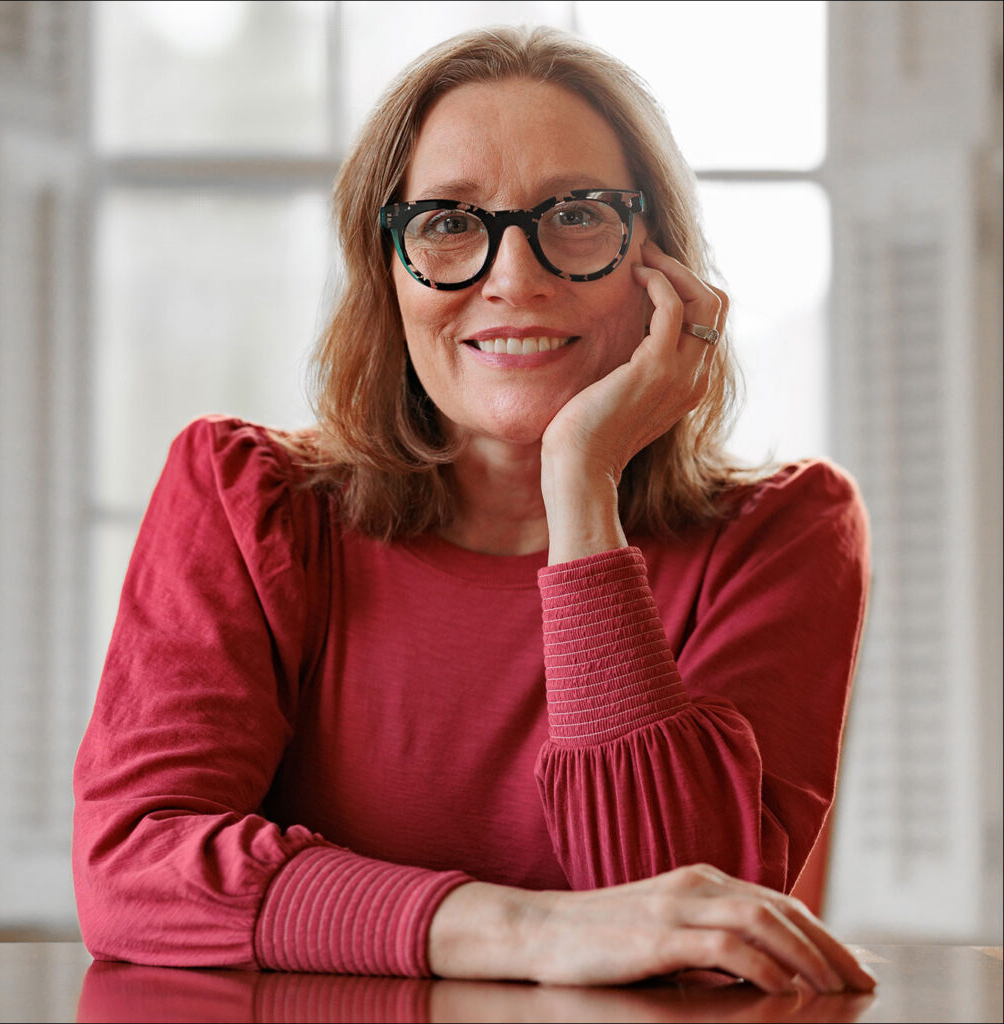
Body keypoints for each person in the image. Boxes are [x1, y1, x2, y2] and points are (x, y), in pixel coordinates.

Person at [73, 25, 876, 993]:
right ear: (389, 273)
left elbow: (681, 923)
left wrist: (579, 481)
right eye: (448, 221)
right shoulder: (244, 503)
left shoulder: (783, 535)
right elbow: (136, 865)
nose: (512, 277)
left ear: (660, 267)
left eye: (576, 214)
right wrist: (526, 929)